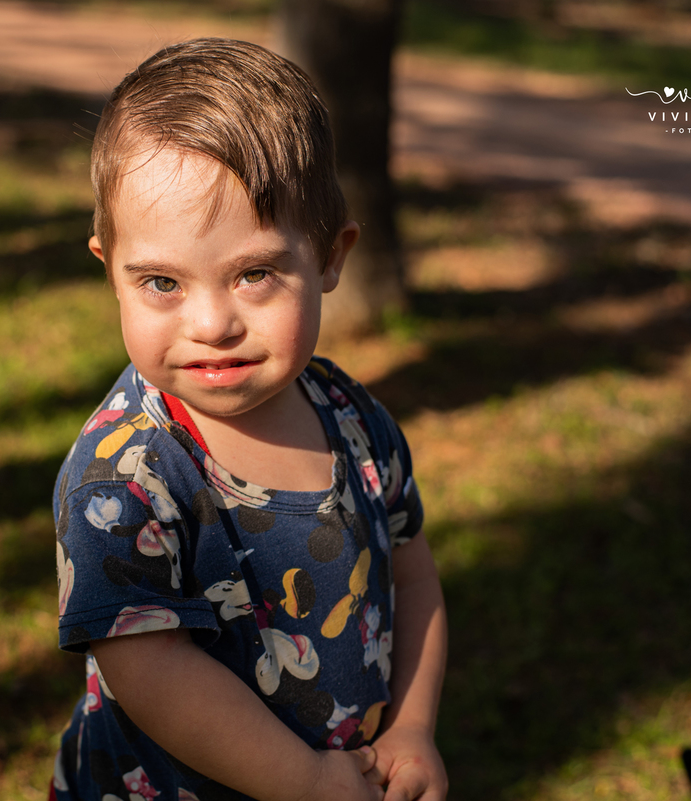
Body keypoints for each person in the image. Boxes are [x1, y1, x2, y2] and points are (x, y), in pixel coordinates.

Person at [50, 38, 449, 801]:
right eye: (162, 281)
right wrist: (303, 778)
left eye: (255, 273)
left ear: (332, 258)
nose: (212, 322)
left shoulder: (352, 418)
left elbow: (413, 574)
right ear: (111, 271)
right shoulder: (123, 473)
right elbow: (148, 666)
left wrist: (412, 728)